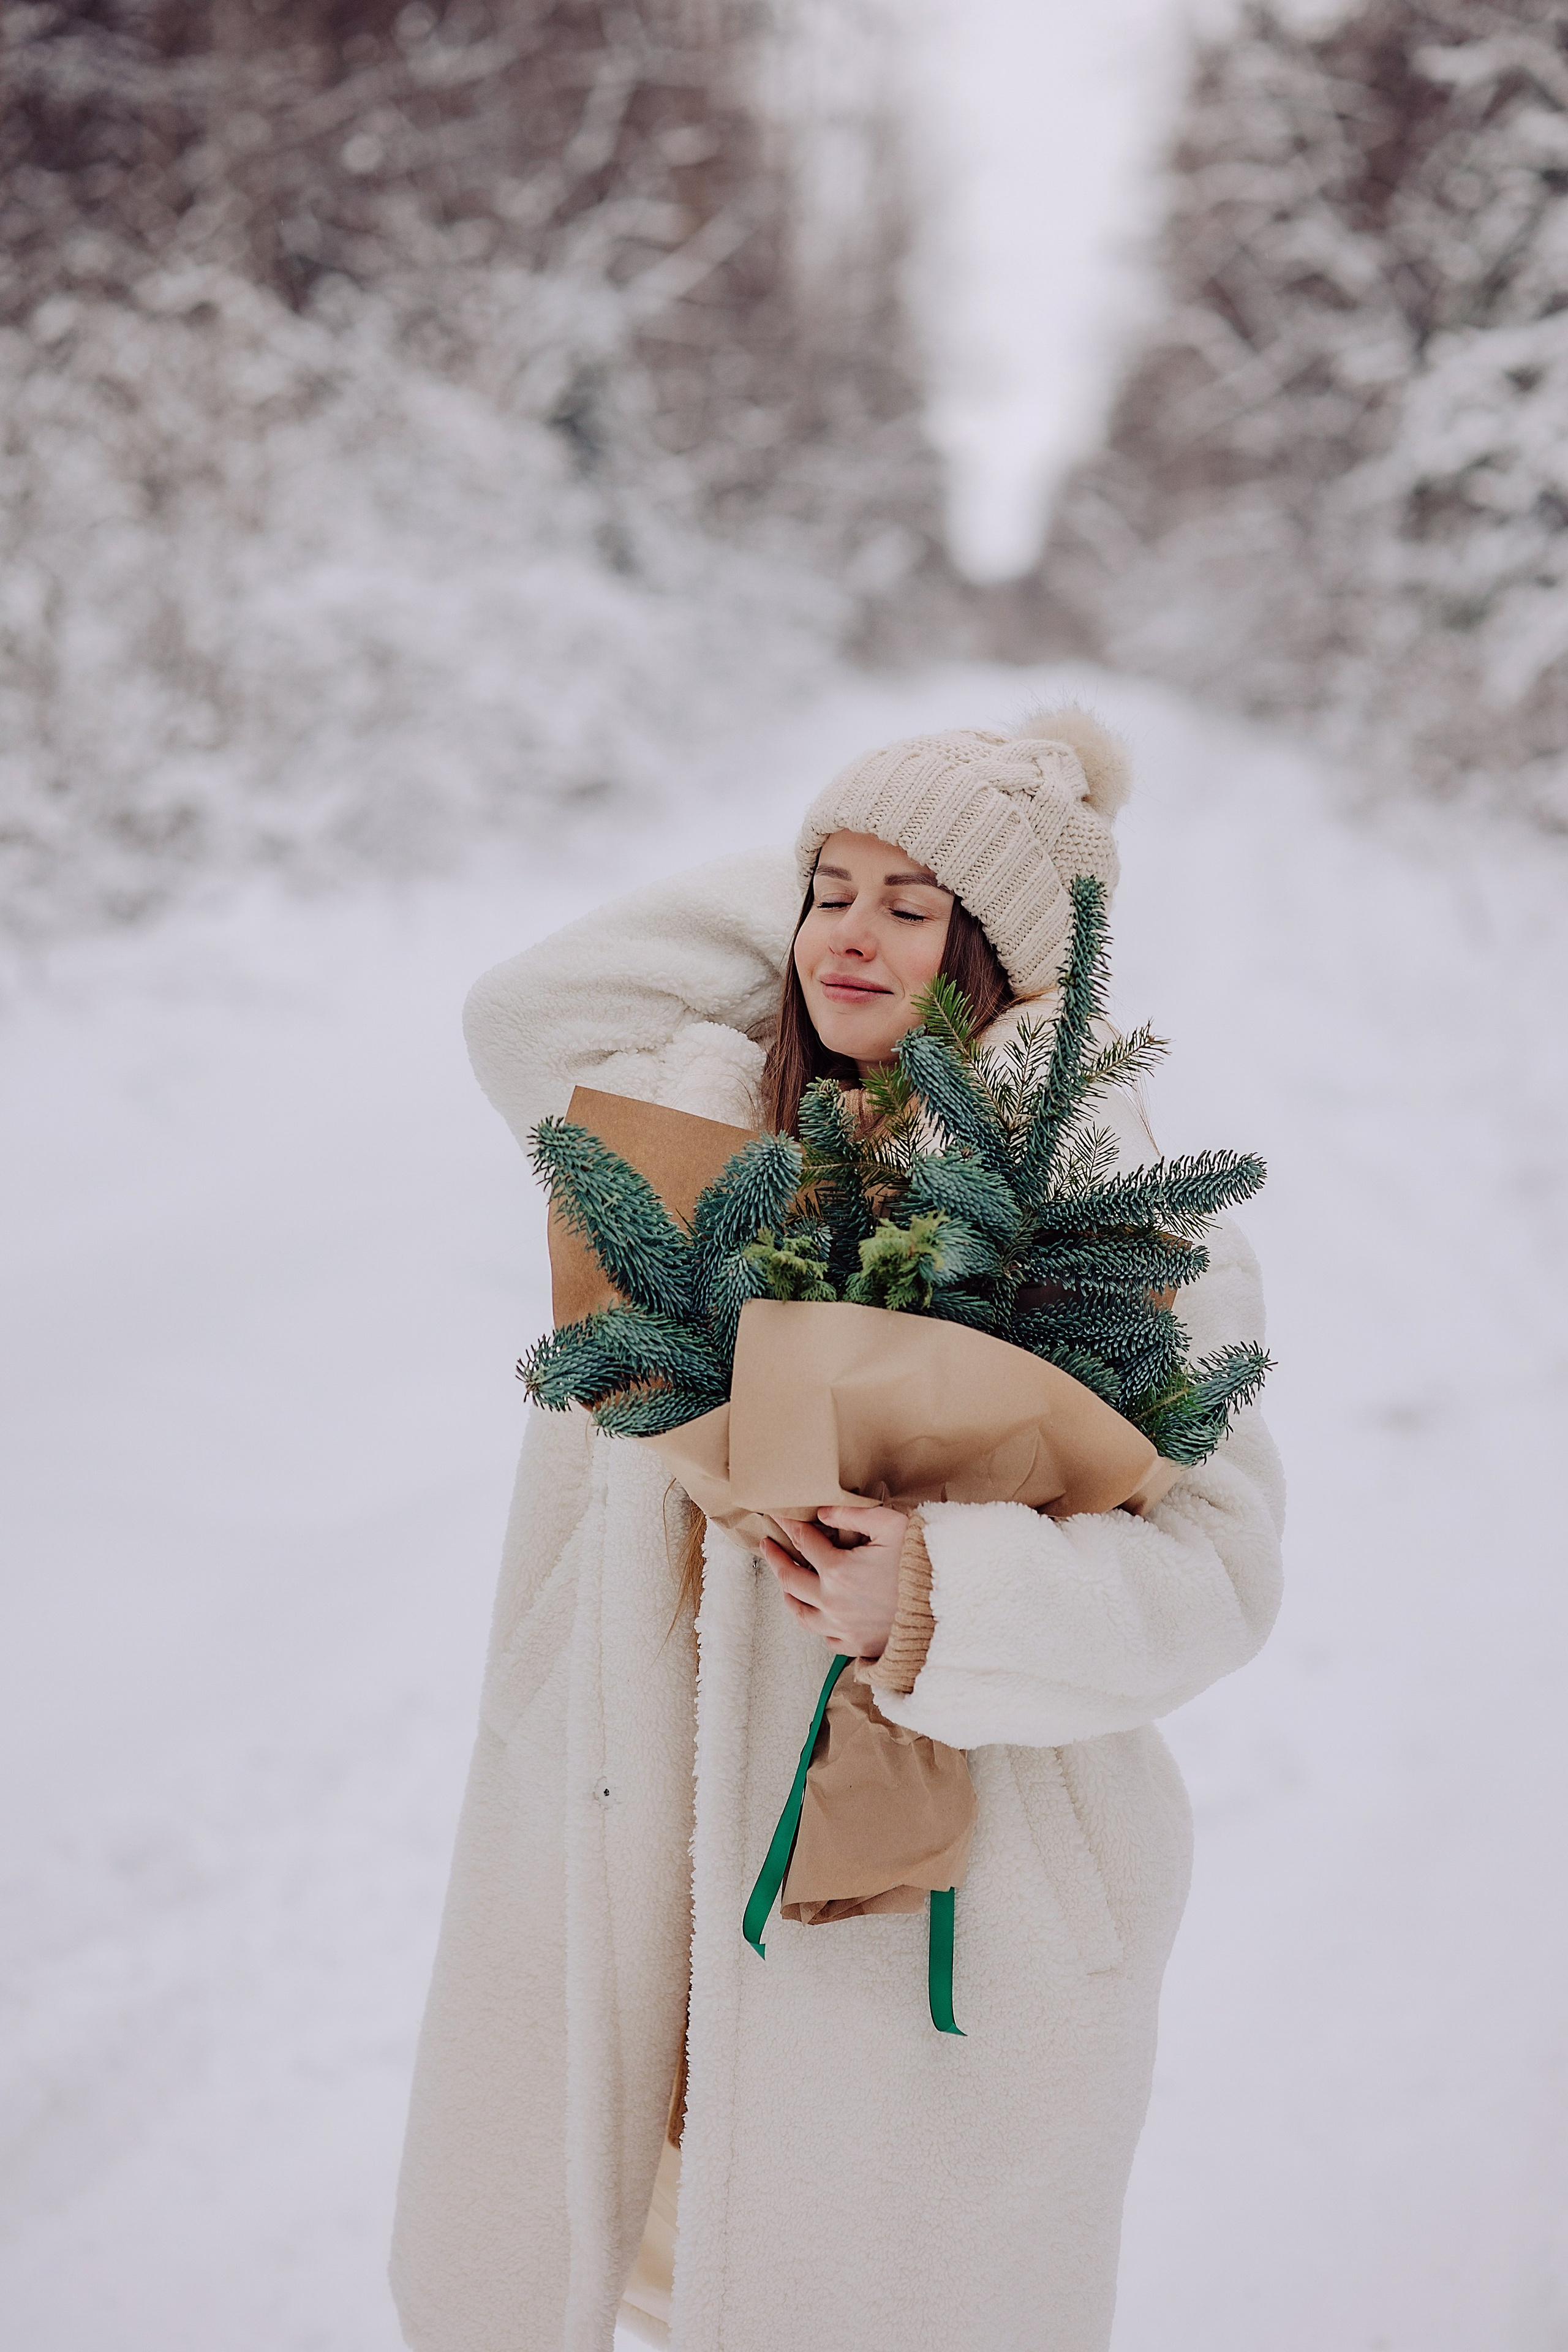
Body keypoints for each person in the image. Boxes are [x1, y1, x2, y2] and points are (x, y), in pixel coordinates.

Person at [390, 710, 1285, 2352]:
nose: (851, 936)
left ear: (1004, 959)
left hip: (939, 1912)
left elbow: (1218, 1568)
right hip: (640, 1832)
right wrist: (880, 870)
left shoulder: (1093, 1188)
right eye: (828, 892)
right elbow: (523, 1008)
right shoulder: (695, 1121)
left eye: (912, 908)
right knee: (614, 2263)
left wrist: (945, 1594)